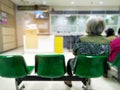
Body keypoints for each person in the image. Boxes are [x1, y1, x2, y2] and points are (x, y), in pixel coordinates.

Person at [64, 16, 110, 87]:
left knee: (70, 61)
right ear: (102, 28)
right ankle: (88, 79)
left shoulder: (81, 39)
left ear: (88, 27)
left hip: (81, 67)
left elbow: (74, 53)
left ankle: (69, 81)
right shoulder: (107, 41)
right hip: (98, 68)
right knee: (92, 62)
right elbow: (108, 54)